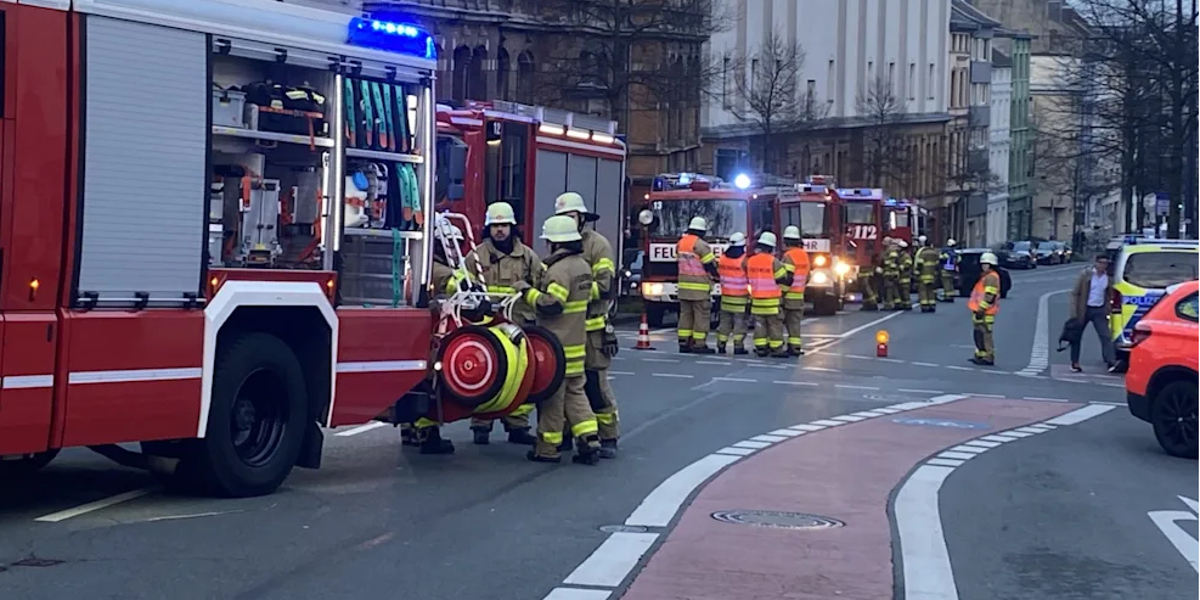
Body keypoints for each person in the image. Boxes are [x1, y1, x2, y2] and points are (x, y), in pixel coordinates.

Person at [517, 215, 602, 465]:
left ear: (555, 243)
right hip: (576, 345)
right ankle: (589, 438)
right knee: (576, 394)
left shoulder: (559, 270)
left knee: (552, 400)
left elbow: (552, 304)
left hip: (556, 349)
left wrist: (527, 292)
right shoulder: (583, 266)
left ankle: (547, 448)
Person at [466, 202, 542, 446]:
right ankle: (481, 424)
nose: (500, 230)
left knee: (521, 375)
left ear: (512, 227)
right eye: (495, 226)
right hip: (486, 327)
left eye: (504, 225)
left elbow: (542, 284)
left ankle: (517, 425)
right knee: (485, 374)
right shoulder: (476, 256)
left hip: (519, 325)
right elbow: (462, 286)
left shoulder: (528, 256)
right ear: (488, 228)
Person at [552, 192, 621, 458]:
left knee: (595, 385)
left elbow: (604, 287)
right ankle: (567, 434)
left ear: (582, 218)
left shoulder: (597, 245)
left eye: (570, 216)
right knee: (564, 385)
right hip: (567, 328)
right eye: (562, 217)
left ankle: (608, 436)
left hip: (592, 329)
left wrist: (575, 291)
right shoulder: (557, 244)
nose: (567, 221)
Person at [400, 220, 472, 454]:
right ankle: (427, 435)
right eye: (451, 244)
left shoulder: (420, 264)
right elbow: (458, 287)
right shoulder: (439, 269)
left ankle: (409, 430)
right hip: (432, 335)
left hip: (417, 334)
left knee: (414, 381)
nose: (455, 250)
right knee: (431, 384)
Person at [675, 216, 720, 354]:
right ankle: (699, 344)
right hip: (699, 289)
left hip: (683, 287)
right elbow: (709, 265)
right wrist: (717, 275)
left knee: (685, 315)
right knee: (701, 316)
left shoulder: (681, 243)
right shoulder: (701, 245)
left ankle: (684, 342)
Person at [744, 232, 793, 358]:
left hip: (756, 301)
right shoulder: (773, 261)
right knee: (775, 326)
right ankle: (776, 349)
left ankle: (761, 348)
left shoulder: (751, 261)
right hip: (772, 302)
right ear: (771, 247)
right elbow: (782, 278)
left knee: (760, 325)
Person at [1067, 254, 1118, 372]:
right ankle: (1075, 362)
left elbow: (1110, 294)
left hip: (1099, 310)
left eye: (1105, 263)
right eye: (1101, 263)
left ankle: (1111, 362)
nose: (1103, 266)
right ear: (1096, 263)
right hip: (1084, 309)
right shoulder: (1086, 275)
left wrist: (1108, 307)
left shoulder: (1108, 278)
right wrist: (1074, 312)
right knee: (1076, 336)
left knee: (1106, 336)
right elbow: (1075, 293)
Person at [715, 232, 750, 355]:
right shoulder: (744, 259)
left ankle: (721, 344)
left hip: (726, 296)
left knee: (724, 322)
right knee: (739, 323)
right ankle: (738, 346)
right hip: (740, 297)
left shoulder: (722, 258)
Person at [967, 251, 1001, 366]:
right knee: (979, 334)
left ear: (991, 265)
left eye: (986, 264)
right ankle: (981, 355)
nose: (983, 266)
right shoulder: (985, 276)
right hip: (979, 310)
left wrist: (982, 309)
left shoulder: (991, 277)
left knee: (985, 334)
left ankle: (988, 357)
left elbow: (990, 296)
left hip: (986, 312)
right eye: (983, 264)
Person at [780, 226, 810, 355]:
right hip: (799, 295)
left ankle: (776, 346)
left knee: (777, 322)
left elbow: (787, 278)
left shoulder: (788, 256)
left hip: (787, 297)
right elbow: (808, 276)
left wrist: (782, 293)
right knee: (795, 324)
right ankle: (795, 347)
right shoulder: (804, 254)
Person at [914, 235, 940, 313]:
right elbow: (937, 265)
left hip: (923, 275)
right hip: (932, 275)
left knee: (923, 291)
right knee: (931, 290)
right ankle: (932, 305)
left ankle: (925, 306)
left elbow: (920, 263)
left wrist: (917, 273)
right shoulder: (935, 253)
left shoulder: (923, 253)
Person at [881, 237, 900, 310]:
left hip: (890, 273)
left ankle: (889, 305)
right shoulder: (887, 250)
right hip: (889, 272)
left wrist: (884, 265)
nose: (883, 243)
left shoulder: (891, 250)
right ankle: (897, 303)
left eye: (884, 241)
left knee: (889, 289)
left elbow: (893, 263)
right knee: (892, 289)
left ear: (888, 242)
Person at [895, 239, 913, 311]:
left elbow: (908, 264)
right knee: (901, 292)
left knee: (905, 292)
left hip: (905, 277)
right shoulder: (899, 255)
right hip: (901, 277)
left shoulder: (906, 256)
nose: (897, 248)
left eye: (898, 247)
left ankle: (908, 305)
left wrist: (901, 267)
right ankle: (904, 304)